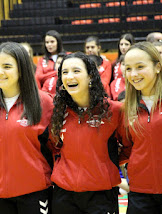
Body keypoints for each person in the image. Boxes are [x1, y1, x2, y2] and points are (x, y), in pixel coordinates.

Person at [0, 42, 54, 214]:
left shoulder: (44, 102)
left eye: (7, 66)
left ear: (22, 69)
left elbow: (54, 146)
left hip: (34, 192)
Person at [50, 52, 122, 213]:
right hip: (64, 195)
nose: (69, 77)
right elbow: (53, 147)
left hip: (101, 195)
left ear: (90, 76)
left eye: (76, 71)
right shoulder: (57, 112)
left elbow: (128, 146)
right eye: (64, 72)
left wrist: (105, 167)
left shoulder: (114, 111)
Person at [121, 42, 162, 213]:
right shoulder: (124, 109)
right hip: (140, 194)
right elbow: (124, 149)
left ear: (157, 67)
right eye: (128, 69)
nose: (133, 74)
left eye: (140, 67)